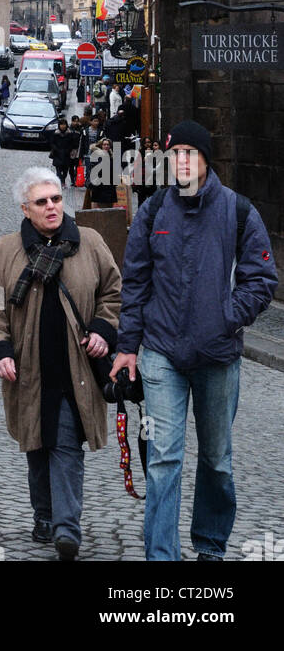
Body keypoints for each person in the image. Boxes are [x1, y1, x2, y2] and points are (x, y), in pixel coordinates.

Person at [109, 119, 277, 563]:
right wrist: (128, 347)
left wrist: (229, 316)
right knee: (164, 457)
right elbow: (136, 283)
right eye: (175, 153)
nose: (181, 160)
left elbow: (261, 278)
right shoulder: (153, 211)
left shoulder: (238, 210)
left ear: (206, 158)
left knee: (217, 460)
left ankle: (209, 544)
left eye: (189, 152)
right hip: (162, 354)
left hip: (218, 355)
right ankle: (162, 555)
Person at [0, 166, 121, 560]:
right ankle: (44, 514)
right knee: (37, 447)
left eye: (56, 198)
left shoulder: (88, 242)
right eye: (42, 202)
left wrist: (102, 330)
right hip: (29, 370)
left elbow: (113, 291)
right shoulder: (8, 250)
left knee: (66, 445)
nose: (52, 207)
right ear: (26, 209)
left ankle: (66, 530)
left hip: (77, 370)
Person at [48, 118, 76, 190]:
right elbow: (52, 143)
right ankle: (61, 182)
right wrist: (56, 149)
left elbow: (72, 143)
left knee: (65, 169)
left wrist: (68, 150)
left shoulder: (70, 133)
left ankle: (63, 180)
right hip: (57, 154)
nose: (63, 126)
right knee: (58, 169)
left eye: (64, 124)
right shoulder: (55, 133)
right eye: (61, 124)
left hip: (67, 154)